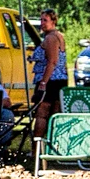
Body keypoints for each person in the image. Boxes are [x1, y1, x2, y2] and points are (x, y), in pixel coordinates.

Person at [31, 9, 68, 137]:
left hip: (50, 81)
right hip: (60, 80)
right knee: (54, 115)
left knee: (42, 114)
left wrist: (43, 83)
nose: (42, 23)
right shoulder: (59, 36)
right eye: (41, 20)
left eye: (45, 20)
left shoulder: (51, 38)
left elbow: (52, 61)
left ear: (53, 21)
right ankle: (50, 146)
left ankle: (37, 147)